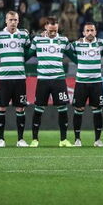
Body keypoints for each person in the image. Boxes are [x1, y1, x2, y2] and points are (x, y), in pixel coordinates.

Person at [27, 17, 71, 147]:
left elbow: (74, 55)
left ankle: (63, 140)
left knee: (63, 109)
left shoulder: (63, 40)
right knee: (38, 109)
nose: (53, 32)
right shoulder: (37, 39)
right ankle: (35, 139)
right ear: (46, 26)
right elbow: (28, 54)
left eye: (55, 30)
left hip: (59, 80)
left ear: (57, 27)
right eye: (51, 30)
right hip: (43, 80)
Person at [0, 11, 31, 147]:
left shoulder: (24, 35)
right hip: (4, 78)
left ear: (18, 21)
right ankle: (1, 139)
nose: (13, 22)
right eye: (11, 20)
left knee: (20, 108)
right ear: (6, 21)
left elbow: (29, 51)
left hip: (20, 77)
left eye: (15, 20)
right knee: (1, 107)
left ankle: (20, 139)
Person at [68, 22, 103, 147]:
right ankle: (77, 139)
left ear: (96, 32)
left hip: (96, 82)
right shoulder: (77, 44)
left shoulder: (101, 43)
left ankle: (97, 140)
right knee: (78, 110)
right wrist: (77, 61)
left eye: (92, 30)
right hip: (81, 82)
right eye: (87, 30)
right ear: (83, 32)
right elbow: (65, 49)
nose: (90, 32)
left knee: (97, 110)